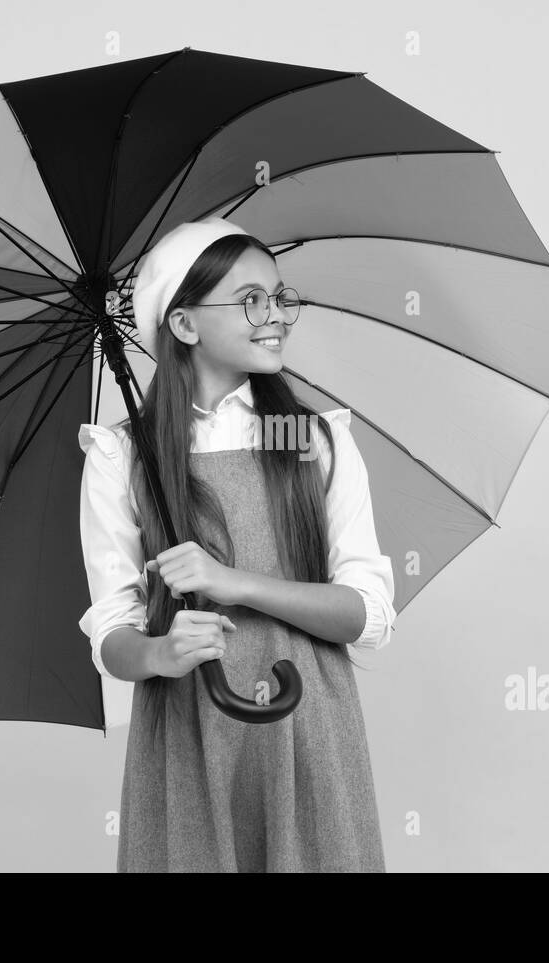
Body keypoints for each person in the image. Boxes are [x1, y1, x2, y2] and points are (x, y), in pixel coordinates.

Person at [77, 217, 395, 872]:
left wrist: (235, 581)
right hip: (189, 737)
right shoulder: (120, 455)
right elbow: (113, 634)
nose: (274, 315)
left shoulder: (317, 441)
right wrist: (161, 651)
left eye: (280, 297)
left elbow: (368, 615)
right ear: (185, 325)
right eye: (250, 299)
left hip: (308, 732)